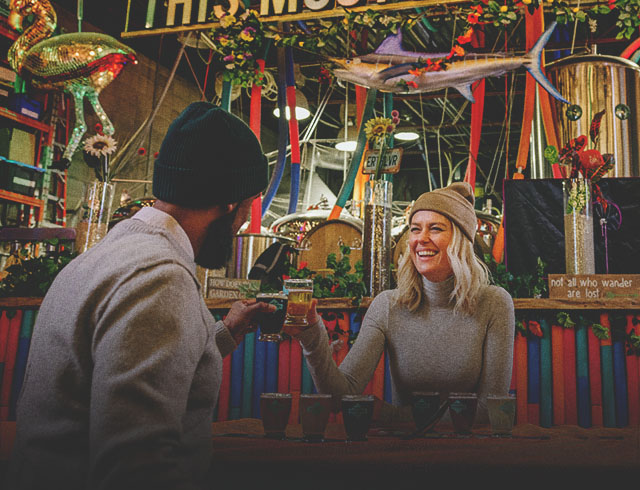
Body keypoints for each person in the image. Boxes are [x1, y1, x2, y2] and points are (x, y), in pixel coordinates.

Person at [6, 102, 274, 490]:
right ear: (230, 199)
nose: (245, 220)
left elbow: (116, 362)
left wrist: (226, 331)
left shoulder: (109, 255)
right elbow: (136, 464)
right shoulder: (159, 278)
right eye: (249, 204)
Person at [289, 182, 515, 424]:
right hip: (402, 454)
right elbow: (340, 396)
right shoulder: (388, 305)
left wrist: (392, 417)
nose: (421, 239)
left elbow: (488, 411)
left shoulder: (493, 303)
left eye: (436, 229)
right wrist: (312, 338)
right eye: (415, 229)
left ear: (460, 241)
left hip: (469, 454)